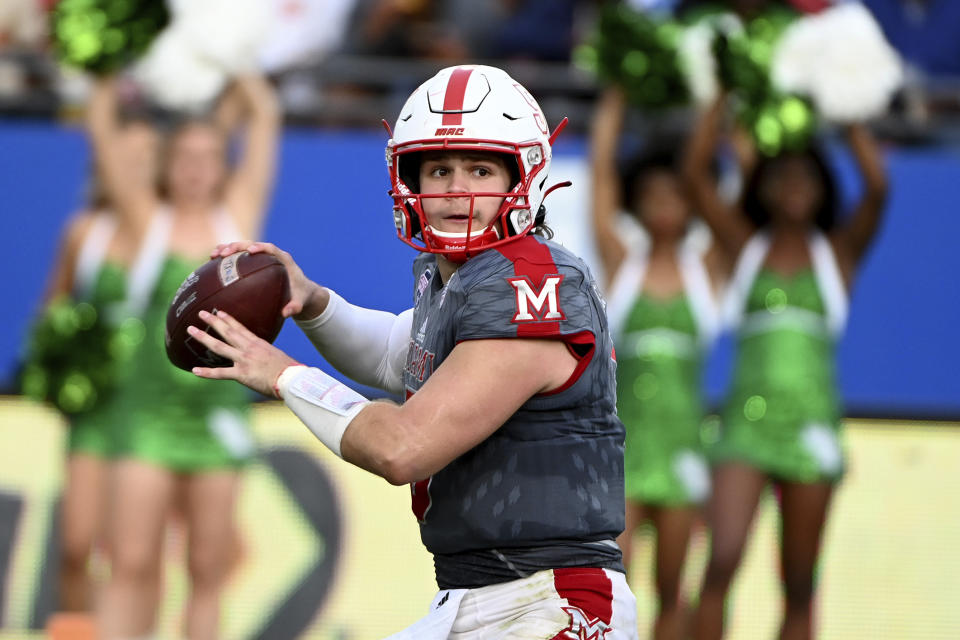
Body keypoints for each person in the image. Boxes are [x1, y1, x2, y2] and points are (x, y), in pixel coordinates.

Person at [189, 64, 639, 639]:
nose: (457, 189)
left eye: (480, 168)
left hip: (549, 600)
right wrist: (309, 301)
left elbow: (401, 448)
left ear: (523, 176)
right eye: (439, 169)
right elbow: (394, 357)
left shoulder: (531, 282)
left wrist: (284, 376)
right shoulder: (458, 278)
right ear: (409, 179)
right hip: (477, 596)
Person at [683, 95, 888, 640]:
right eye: (782, 178)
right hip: (744, 429)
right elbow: (696, 174)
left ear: (823, 190)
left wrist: (845, 101)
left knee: (798, 582)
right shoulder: (744, 247)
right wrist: (724, 96)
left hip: (812, 428)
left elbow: (879, 187)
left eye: (806, 178)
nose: (794, 187)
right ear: (762, 190)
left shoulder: (838, 254)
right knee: (720, 562)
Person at [86, 72, 281, 640]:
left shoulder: (236, 221)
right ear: (167, 164)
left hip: (215, 421)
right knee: (131, 563)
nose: (196, 167)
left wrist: (225, 52)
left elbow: (264, 117)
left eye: (209, 155)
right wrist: (125, 70)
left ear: (224, 163)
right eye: (186, 156)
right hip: (145, 418)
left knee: (207, 573)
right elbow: (102, 125)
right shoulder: (147, 221)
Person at [590, 86, 723, 640]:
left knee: (674, 592)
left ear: (694, 201)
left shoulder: (709, 271)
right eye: (652, 193)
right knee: (615, 589)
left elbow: (733, 189)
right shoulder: (622, 264)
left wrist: (721, 99)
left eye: (677, 192)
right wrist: (619, 92)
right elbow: (599, 174)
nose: (665, 202)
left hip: (685, 456)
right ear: (636, 203)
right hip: (623, 457)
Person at [39, 118, 160, 618]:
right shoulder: (83, 233)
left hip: (155, 409)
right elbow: (54, 311)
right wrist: (68, 358)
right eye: (124, 159)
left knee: (138, 554)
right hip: (96, 408)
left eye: (145, 160)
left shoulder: (176, 231)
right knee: (75, 544)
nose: (132, 170)